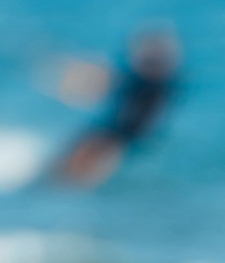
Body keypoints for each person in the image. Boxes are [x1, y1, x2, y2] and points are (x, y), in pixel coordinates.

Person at [44, 27, 182, 188]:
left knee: (74, 176)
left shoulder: (150, 82)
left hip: (117, 136)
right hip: (113, 132)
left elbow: (105, 81)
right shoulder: (149, 81)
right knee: (67, 174)